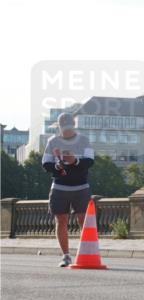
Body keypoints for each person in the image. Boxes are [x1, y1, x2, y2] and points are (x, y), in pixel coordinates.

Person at [42, 112, 95, 267]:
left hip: (81, 187)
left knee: (82, 221)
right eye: (64, 127)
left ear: (74, 124)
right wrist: (57, 166)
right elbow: (45, 163)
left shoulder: (84, 140)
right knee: (61, 220)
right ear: (59, 126)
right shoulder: (52, 141)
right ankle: (66, 255)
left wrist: (75, 161)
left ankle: (84, 252)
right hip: (59, 187)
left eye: (69, 126)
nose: (67, 131)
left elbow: (90, 161)